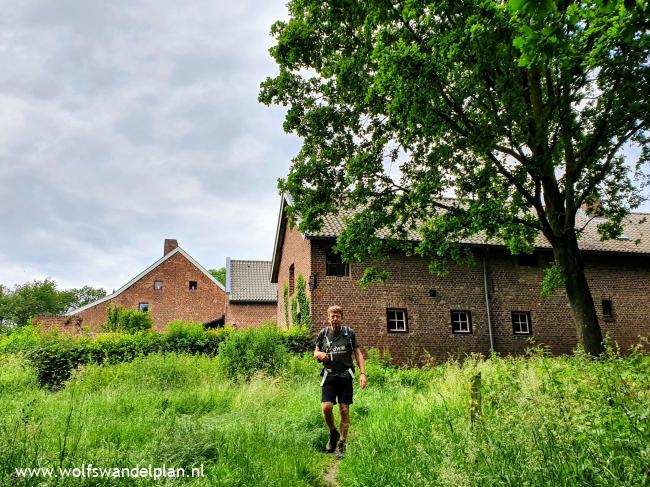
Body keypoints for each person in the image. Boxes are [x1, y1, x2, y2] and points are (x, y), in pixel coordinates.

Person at [314, 305, 367, 455]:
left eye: (338, 316)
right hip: (329, 375)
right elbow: (316, 350)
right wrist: (319, 355)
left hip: (345, 376)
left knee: (344, 409)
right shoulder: (323, 333)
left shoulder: (349, 334)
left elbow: (358, 353)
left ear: (342, 318)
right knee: (326, 407)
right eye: (333, 316)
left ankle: (342, 442)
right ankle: (333, 433)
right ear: (328, 318)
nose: (335, 318)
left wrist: (363, 373)